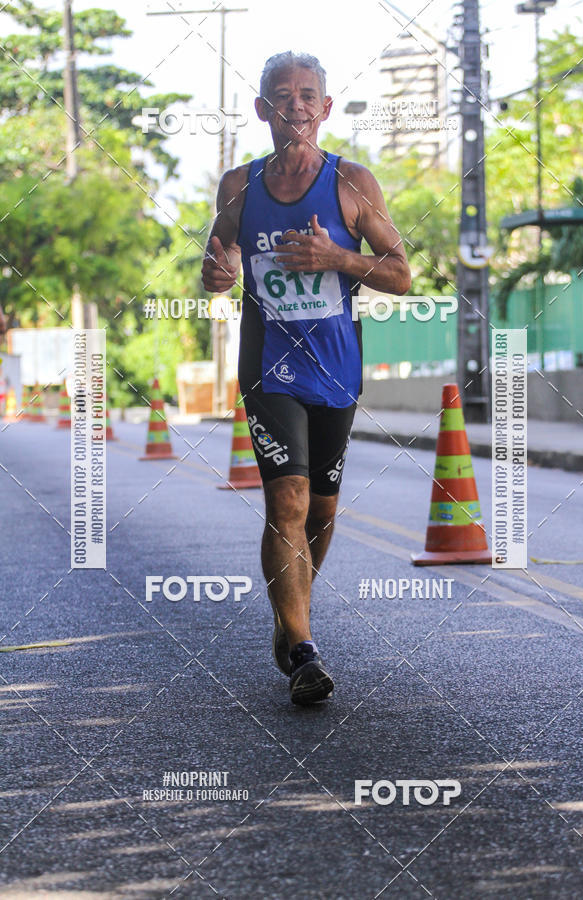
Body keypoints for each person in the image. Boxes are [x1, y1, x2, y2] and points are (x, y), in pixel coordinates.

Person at [202, 51, 411, 705]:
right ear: (263, 110)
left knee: (321, 509)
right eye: (282, 95)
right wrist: (218, 272)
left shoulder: (351, 183)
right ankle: (303, 653)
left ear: (324, 109)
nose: (296, 104)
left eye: (308, 95)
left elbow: (402, 273)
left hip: (336, 367)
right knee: (286, 502)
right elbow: (219, 254)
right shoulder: (239, 186)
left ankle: (290, 620)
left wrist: (336, 256)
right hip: (269, 366)